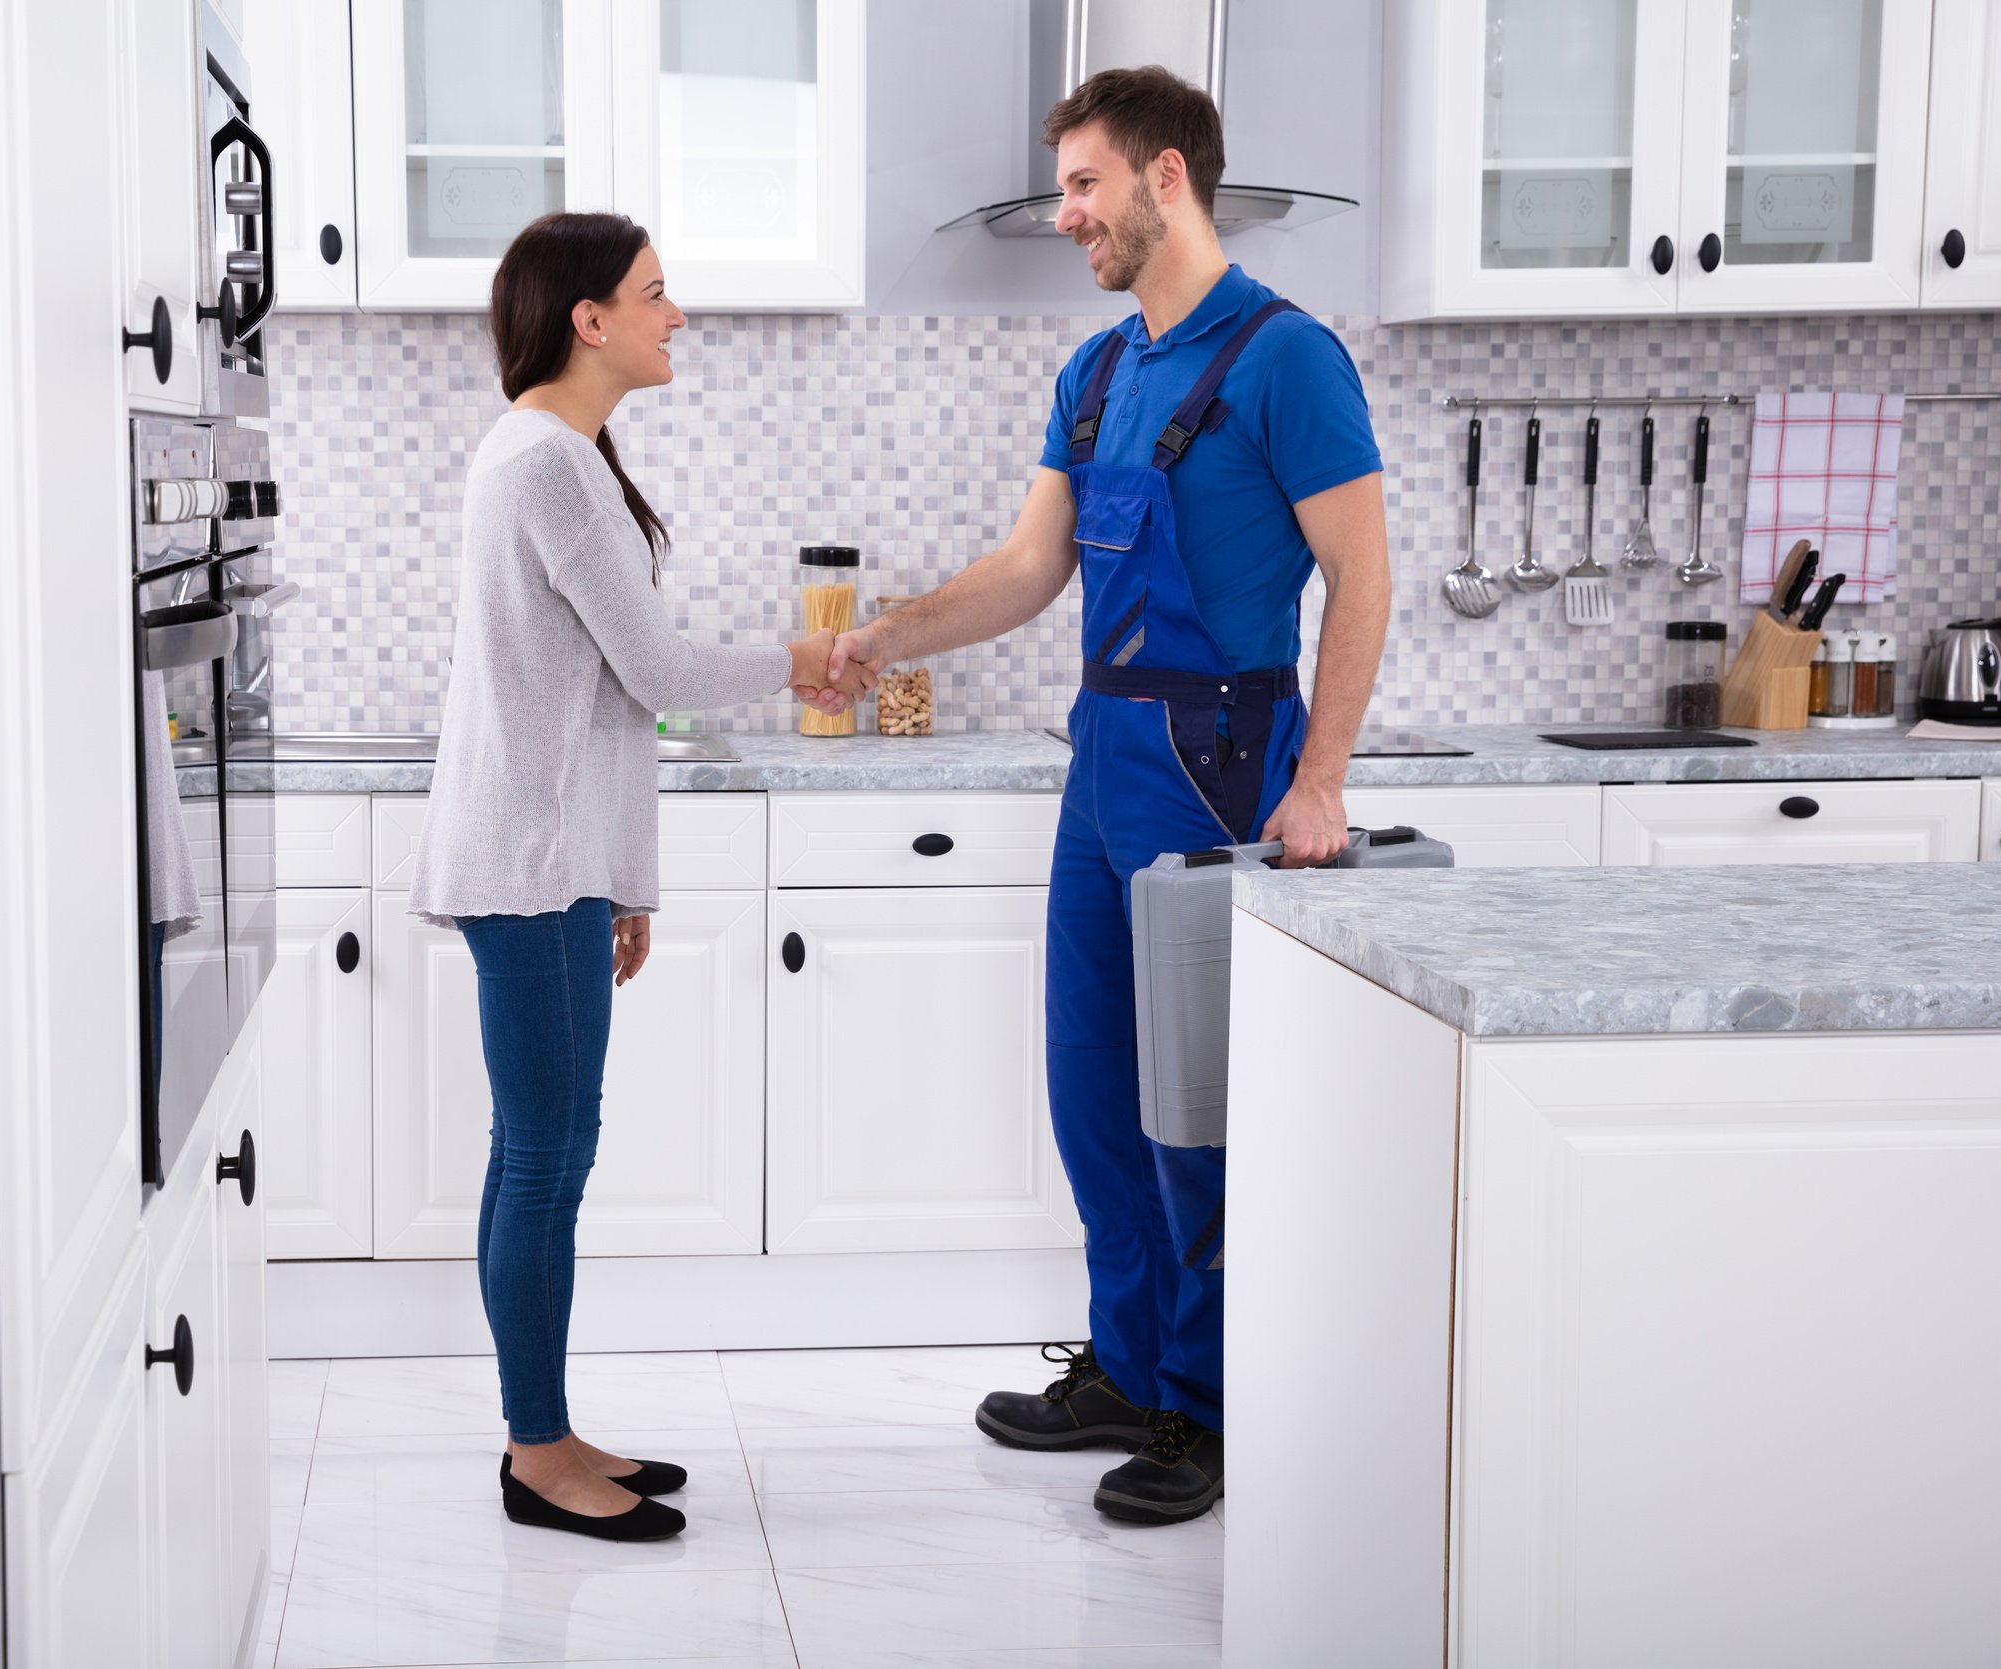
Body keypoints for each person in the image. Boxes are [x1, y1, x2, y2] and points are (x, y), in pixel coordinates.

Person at [814, 67, 1391, 1525]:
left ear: (1167, 178)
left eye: (1083, 183)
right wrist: (884, 632)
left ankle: (1207, 1404)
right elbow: (1028, 571)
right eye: (1066, 186)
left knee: (1194, 1109)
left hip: (1223, 769)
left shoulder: (1288, 360)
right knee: (1093, 1090)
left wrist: (1320, 780)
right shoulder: (1098, 372)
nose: (1067, 211)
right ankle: (1130, 1369)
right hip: (1107, 762)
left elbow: (1365, 579)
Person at [408, 212, 867, 1543]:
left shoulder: (557, 458)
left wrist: (626, 879)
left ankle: (543, 1429)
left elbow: (593, 704)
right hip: (532, 866)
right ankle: (537, 1453)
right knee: (546, 1159)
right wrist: (808, 658)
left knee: (543, 1153)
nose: (680, 318)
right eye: (658, 295)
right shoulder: (547, 466)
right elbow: (658, 679)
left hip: (551, 862)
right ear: (587, 317)